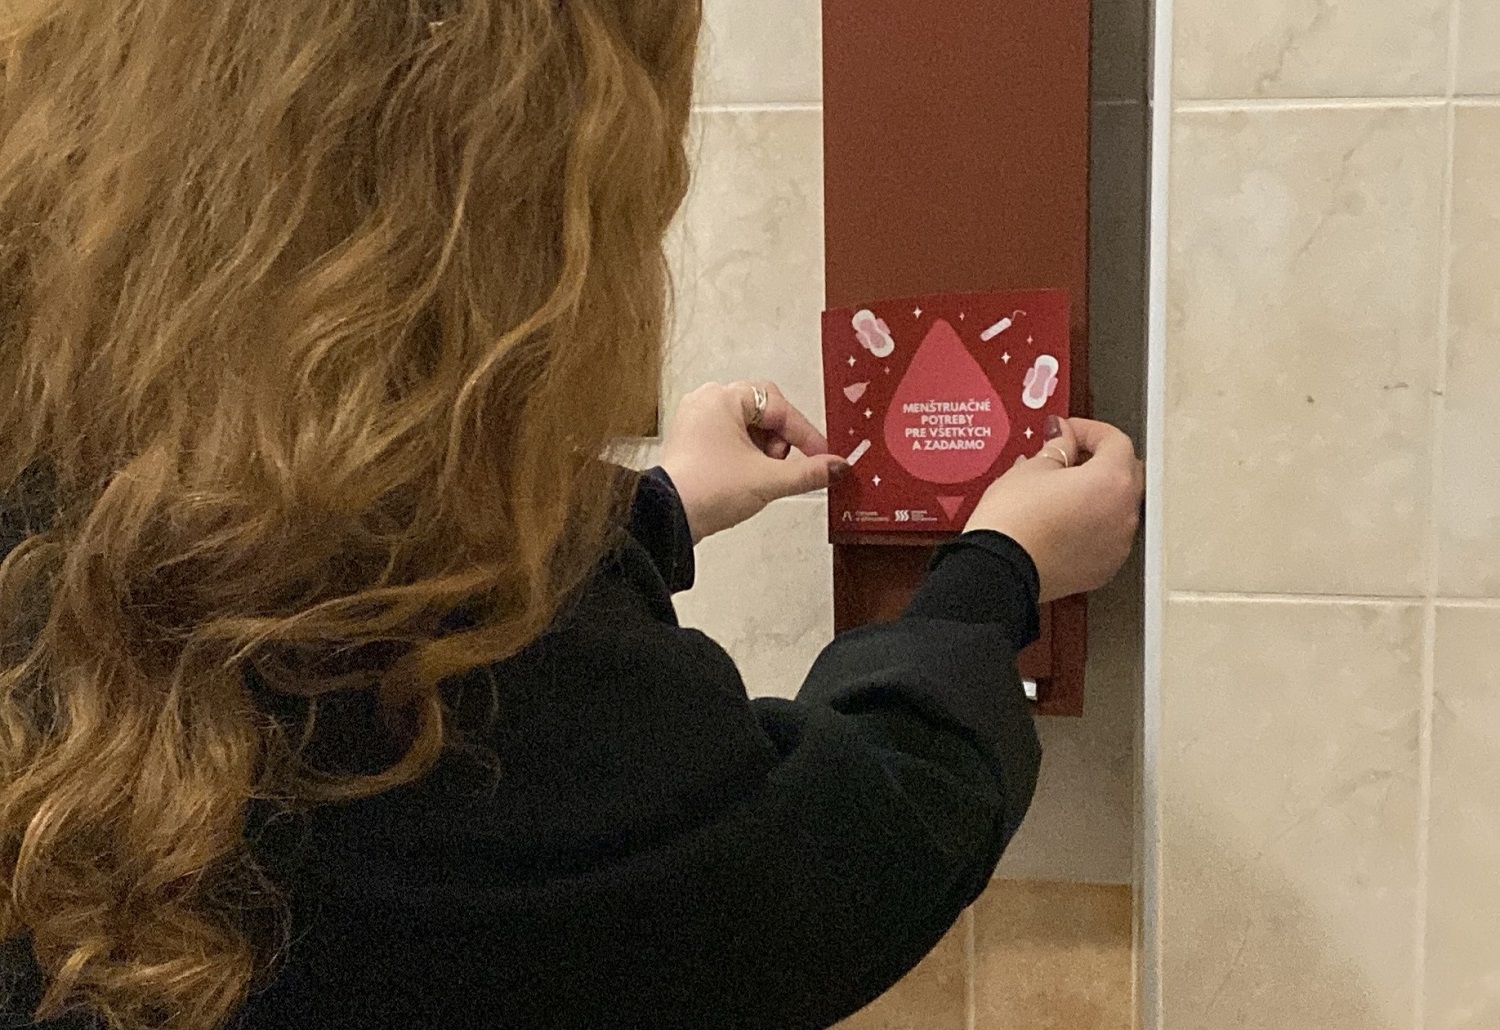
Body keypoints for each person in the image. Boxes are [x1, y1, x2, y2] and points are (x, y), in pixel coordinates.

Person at [0, 1, 1144, 1028]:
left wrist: (658, 508)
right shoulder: (476, 729)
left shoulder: (49, 481)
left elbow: (293, 566)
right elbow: (823, 852)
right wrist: (999, 571)